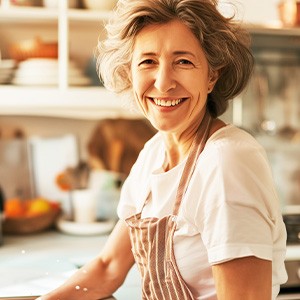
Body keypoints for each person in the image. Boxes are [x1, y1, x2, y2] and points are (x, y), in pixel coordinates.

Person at [37, 0, 287, 299]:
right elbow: (108, 267)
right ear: (130, 74)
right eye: (148, 61)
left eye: (183, 61)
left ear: (211, 76)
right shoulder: (153, 154)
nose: (163, 82)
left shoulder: (226, 161)